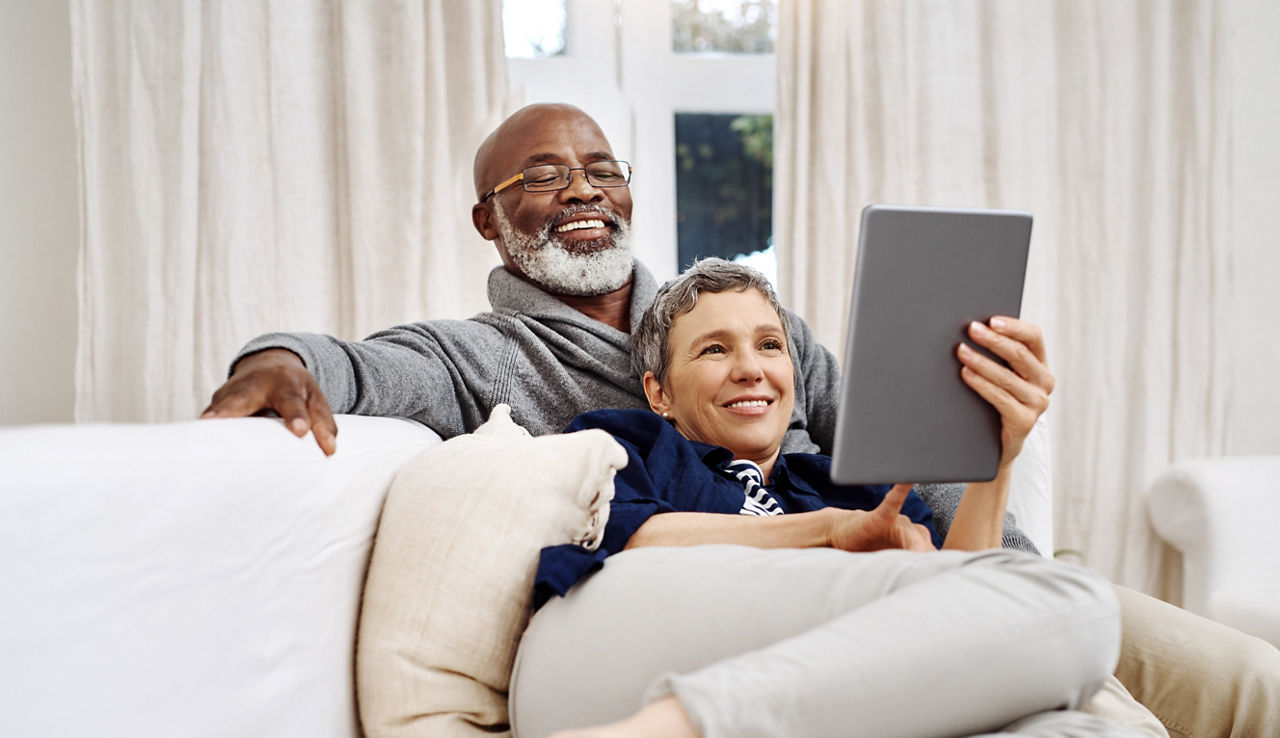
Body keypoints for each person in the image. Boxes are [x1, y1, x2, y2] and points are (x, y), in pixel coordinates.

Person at [201, 102, 1279, 738]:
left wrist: (996, 474)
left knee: (1235, 683)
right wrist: (281, 360)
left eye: (599, 169)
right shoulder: (488, 358)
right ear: (488, 220)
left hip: (937, 579)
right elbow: (373, 367)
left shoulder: (752, 322)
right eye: (539, 176)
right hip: (743, 612)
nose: (579, 189)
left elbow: (912, 470)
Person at [510, 259, 1130, 737]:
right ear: (660, 391)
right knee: (1079, 601)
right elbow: (630, 538)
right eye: (715, 348)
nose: (752, 369)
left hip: (814, 692)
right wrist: (827, 532)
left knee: (1075, 729)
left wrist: (997, 454)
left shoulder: (851, 485)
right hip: (617, 661)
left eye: (770, 345)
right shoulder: (627, 440)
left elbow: (965, 598)